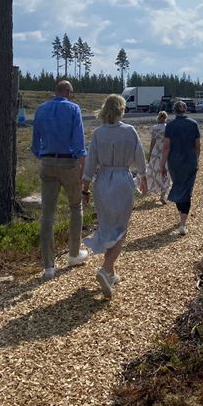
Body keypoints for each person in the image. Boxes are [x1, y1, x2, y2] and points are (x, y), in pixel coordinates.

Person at [81, 94, 147, 298]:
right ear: (121, 110)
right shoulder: (130, 131)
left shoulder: (99, 133)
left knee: (107, 226)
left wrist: (85, 188)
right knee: (121, 229)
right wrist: (143, 178)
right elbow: (140, 157)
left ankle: (111, 273)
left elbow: (90, 162)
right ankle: (105, 268)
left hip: (102, 181)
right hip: (122, 180)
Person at [32, 80, 88, 280]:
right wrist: (83, 168)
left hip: (47, 162)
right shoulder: (74, 109)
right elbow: (79, 141)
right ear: (69, 92)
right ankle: (73, 254)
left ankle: (48, 266)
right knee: (75, 206)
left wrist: (43, 156)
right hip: (68, 163)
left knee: (47, 214)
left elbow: (35, 141)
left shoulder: (41, 109)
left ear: (55, 91)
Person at [161, 100, 201, 235]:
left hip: (174, 162)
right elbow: (197, 145)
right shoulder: (193, 124)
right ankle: (183, 224)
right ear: (186, 109)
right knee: (187, 190)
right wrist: (197, 159)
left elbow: (166, 147)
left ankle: (181, 217)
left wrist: (162, 165)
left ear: (174, 110)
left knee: (178, 186)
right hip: (190, 161)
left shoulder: (170, 126)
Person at [145, 110, 172, 203]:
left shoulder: (154, 127)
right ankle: (163, 194)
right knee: (166, 172)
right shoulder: (168, 127)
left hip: (156, 151)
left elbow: (153, 141)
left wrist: (150, 153)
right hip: (166, 150)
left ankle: (155, 188)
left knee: (155, 171)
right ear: (166, 118)